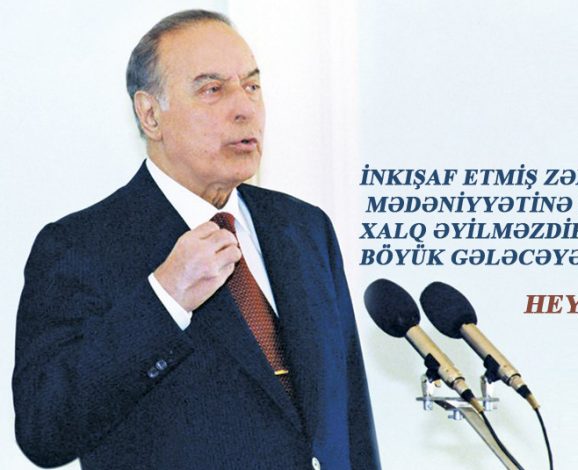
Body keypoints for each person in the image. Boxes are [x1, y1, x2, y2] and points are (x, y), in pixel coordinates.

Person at [13, 9, 380, 470]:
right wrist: (163, 299)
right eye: (212, 90)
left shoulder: (305, 229)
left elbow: (350, 419)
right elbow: (44, 431)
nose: (244, 108)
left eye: (252, 86)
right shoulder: (80, 248)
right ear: (150, 114)